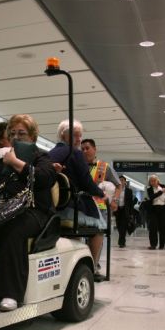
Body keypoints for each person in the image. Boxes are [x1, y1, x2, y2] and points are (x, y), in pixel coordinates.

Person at [0, 121, 56, 312]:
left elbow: (44, 178)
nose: (16, 137)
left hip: (36, 212)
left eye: (22, 133)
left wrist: (16, 163)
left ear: (33, 137)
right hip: (4, 210)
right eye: (12, 134)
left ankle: (10, 293)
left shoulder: (42, 158)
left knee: (14, 228)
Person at [47, 119, 106, 281]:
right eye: (76, 136)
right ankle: (92, 267)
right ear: (63, 136)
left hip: (54, 208)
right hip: (72, 207)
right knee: (99, 228)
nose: (79, 140)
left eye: (80, 136)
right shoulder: (76, 153)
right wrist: (101, 193)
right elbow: (86, 182)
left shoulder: (49, 153)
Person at [81, 138, 121, 223]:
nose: (84, 151)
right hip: (83, 206)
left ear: (95, 149)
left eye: (87, 148)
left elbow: (118, 185)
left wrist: (115, 201)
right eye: (82, 149)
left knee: (99, 234)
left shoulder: (104, 166)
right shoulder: (79, 166)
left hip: (100, 208)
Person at [145, 175, 165, 249]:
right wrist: (161, 192)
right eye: (151, 181)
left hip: (163, 209)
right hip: (153, 210)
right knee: (153, 228)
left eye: (154, 180)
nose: (153, 182)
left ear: (158, 181)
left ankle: (162, 245)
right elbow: (152, 197)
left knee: (163, 228)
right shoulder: (149, 189)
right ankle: (153, 245)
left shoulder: (164, 187)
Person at [115, 175, 134, 248]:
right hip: (117, 210)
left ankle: (121, 242)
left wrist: (131, 213)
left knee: (123, 226)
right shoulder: (115, 189)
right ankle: (122, 240)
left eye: (122, 180)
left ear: (125, 182)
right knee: (119, 226)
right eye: (119, 180)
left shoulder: (129, 191)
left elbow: (131, 203)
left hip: (125, 210)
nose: (121, 181)